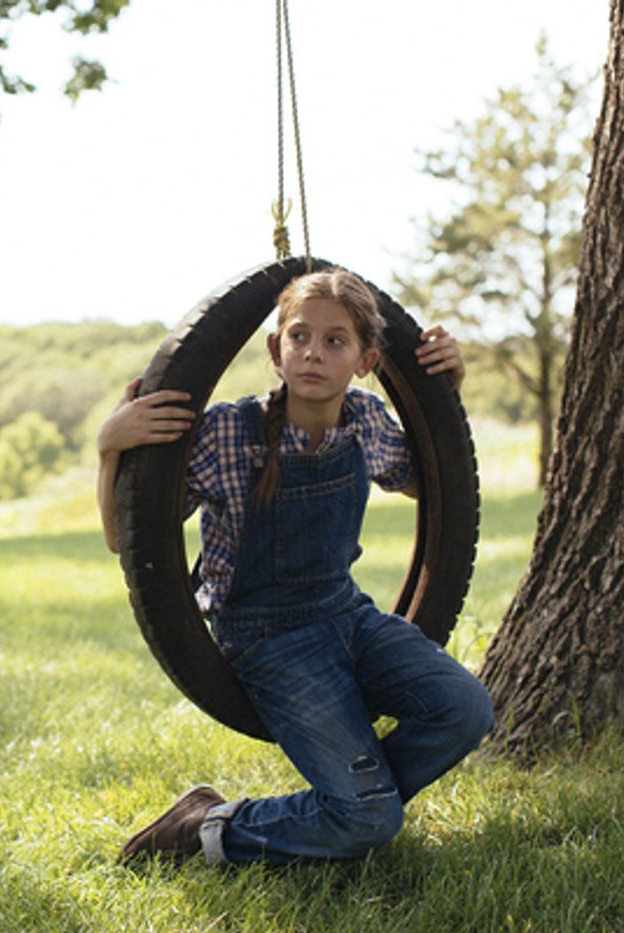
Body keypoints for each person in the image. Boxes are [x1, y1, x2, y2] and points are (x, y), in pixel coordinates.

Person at [96, 269, 493, 867]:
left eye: (335, 341)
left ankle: (354, 808)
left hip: (347, 615)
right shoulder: (227, 433)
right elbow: (121, 538)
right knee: (369, 819)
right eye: (299, 336)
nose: (313, 353)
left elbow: (433, 482)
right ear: (275, 349)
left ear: (367, 361)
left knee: (466, 710)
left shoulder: (365, 421)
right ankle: (206, 826)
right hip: (268, 637)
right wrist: (109, 449)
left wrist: (443, 393)